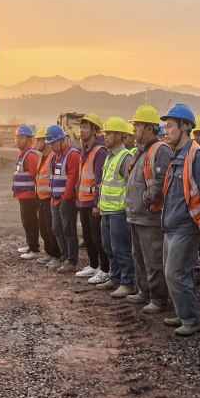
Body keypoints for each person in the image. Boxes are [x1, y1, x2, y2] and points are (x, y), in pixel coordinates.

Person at [160, 103, 200, 336]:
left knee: (176, 273)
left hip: (185, 227)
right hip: (171, 225)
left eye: (170, 126)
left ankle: (191, 320)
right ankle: (183, 314)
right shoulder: (177, 155)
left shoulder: (197, 156)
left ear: (185, 127)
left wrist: (198, 225)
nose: (166, 131)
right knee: (173, 272)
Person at [125, 105, 172, 313]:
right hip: (137, 216)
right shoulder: (140, 151)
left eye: (137, 125)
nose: (134, 129)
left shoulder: (159, 150)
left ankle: (158, 298)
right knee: (139, 257)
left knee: (153, 259)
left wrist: (145, 200)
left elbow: (160, 183)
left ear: (149, 129)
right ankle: (143, 291)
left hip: (150, 216)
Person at [96, 117, 136, 298]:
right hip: (107, 210)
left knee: (121, 249)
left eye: (110, 133)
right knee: (109, 247)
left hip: (119, 212)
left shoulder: (125, 157)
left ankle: (127, 282)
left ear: (120, 135)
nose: (106, 136)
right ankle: (115, 277)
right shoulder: (110, 156)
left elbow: (130, 187)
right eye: (105, 133)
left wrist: (127, 212)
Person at [75, 114, 111, 284]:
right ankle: (93, 265)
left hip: (93, 203)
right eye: (81, 127)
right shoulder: (85, 149)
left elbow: (99, 180)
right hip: (83, 200)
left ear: (95, 131)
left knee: (98, 237)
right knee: (88, 236)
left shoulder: (100, 151)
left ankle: (105, 270)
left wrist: (97, 203)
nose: (81, 131)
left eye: (86, 127)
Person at [47, 125, 82, 273]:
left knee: (69, 230)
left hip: (66, 201)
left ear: (62, 140)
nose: (52, 147)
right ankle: (63, 257)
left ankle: (71, 260)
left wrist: (65, 198)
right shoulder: (56, 156)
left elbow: (72, 179)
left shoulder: (72, 155)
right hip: (55, 199)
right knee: (56, 229)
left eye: (53, 143)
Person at [13, 124, 43, 260]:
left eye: (21, 137)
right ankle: (30, 244)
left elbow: (37, 175)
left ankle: (34, 249)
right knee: (26, 221)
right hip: (23, 195)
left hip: (30, 196)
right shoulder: (23, 154)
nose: (18, 140)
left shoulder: (31, 155)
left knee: (30, 221)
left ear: (29, 139)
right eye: (17, 137)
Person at [33, 127, 60, 267]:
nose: (36, 142)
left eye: (39, 139)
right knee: (44, 228)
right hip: (41, 199)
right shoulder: (41, 157)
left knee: (51, 229)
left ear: (46, 141)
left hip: (49, 198)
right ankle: (49, 253)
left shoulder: (52, 158)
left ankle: (56, 255)